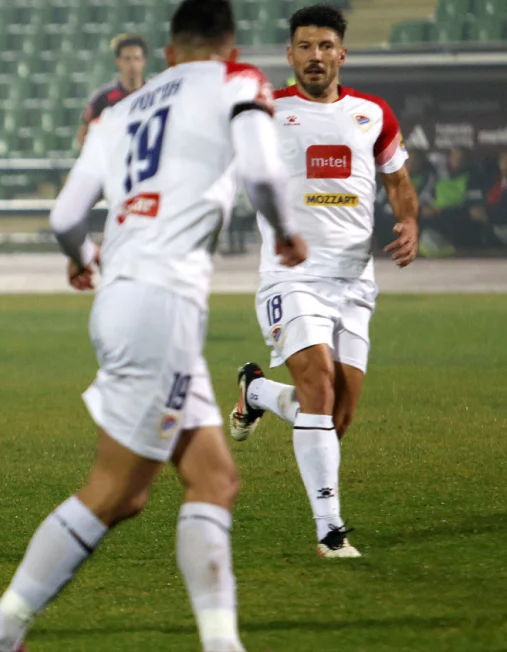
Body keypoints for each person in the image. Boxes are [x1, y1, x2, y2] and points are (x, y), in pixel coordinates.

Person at [0, 1, 306, 650]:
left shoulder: (119, 111)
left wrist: (84, 259)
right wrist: (285, 232)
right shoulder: (238, 82)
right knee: (116, 492)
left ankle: (221, 643)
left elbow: (65, 217)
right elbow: (259, 170)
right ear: (227, 46)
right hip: (161, 308)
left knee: (213, 478)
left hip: (122, 298)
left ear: (168, 52)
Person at [227, 4, 420, 559]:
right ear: (290, 55)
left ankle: (256, 391)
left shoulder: (373, 113)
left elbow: (399, 181)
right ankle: (330, 530)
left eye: (325, 46)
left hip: (355, 281)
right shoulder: (265, 110)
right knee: (317, 389)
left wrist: (408, 220)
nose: (316, 56)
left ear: (342, 53)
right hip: (291, 276)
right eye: (305, 47)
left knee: (337, 415)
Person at [75, 33, 147, 146]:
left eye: (136, 58)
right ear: (118, 62)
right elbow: (83, 135)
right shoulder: (103, 98)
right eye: (127, 59)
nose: (132, 64)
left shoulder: (153, 92)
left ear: (143, 61)